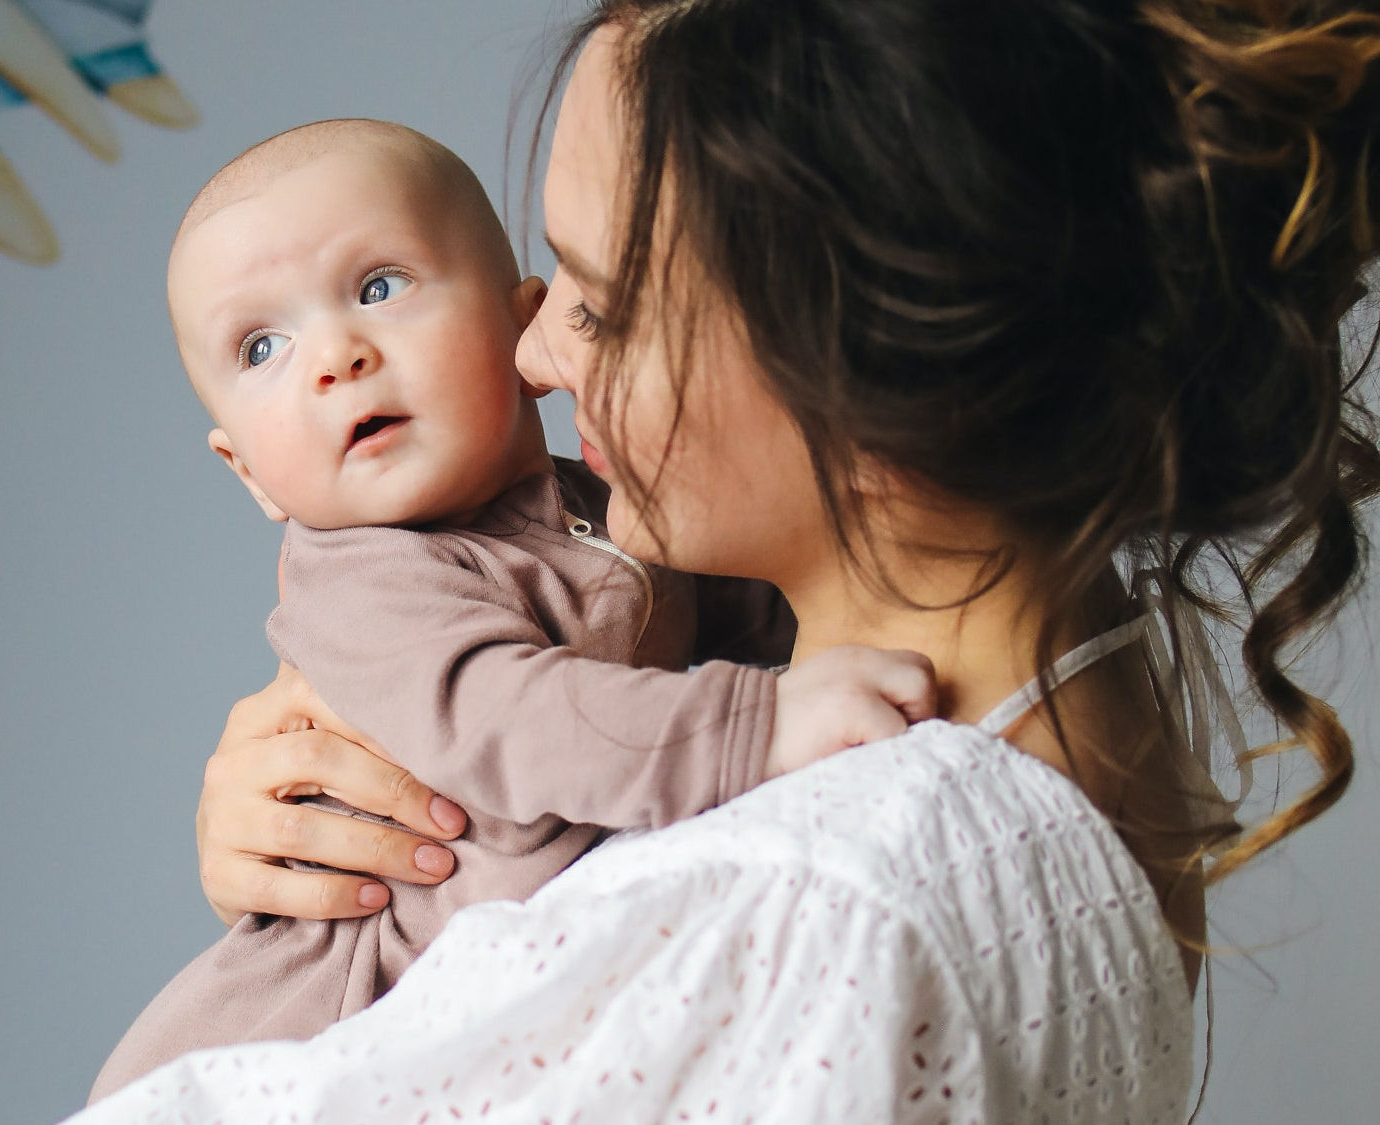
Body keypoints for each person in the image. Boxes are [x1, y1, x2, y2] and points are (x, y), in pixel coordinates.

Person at [72, 0, 1380, 1119]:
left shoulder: (825, 902)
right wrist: (324, 829)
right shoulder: (1083, 710)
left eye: (600, 301)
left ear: (867, 377)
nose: (533, 357)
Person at [87, 118, 943, 1103]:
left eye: (377, 286)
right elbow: (516, 720)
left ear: (521, 327)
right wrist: (762, 723)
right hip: (306, 1046)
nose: (333, 355)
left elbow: (747, 624)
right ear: (248, 474)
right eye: (262, 346)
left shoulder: (610, 504)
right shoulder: (365, 582)